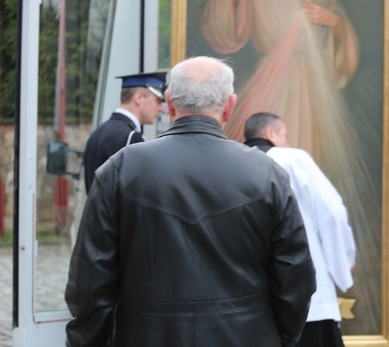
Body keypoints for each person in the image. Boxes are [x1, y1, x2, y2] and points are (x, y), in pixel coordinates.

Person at [202, 0, 379, 333]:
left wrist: (333, 21)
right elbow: (230, 32)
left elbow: (342, 42)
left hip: (315, 88)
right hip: (274, 81)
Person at [66, 56, 316, 347]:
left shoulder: (121, 169)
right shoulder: (267, 173)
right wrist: (275, 337)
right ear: (230, 105)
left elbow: (90, 281)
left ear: (170, 103)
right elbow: (295, 278)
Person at [245, 112, 356, 347]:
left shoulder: (232, 162)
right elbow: (332, 212)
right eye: (284, 135)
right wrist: (343, 262)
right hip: (305, 293)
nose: (286, 141)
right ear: (270, 133)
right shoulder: (292, 159)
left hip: (252, 294)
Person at [82, 71, 167, 193]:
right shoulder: (131, 137)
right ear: (138, 97)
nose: (160, 108)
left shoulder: (98, 132)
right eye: (158, 100)